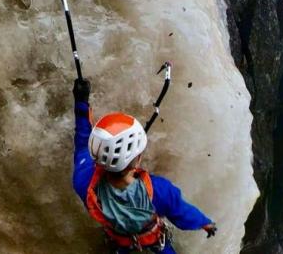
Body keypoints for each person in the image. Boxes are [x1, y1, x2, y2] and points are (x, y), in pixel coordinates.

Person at [71, 78, 217, 253]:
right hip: (155, 243)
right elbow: (181, 213)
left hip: (120, 242)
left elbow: (81, 144)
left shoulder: (83, 181)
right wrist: (205, 223)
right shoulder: (159, 190)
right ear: (137, 159)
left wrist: (81, 103)